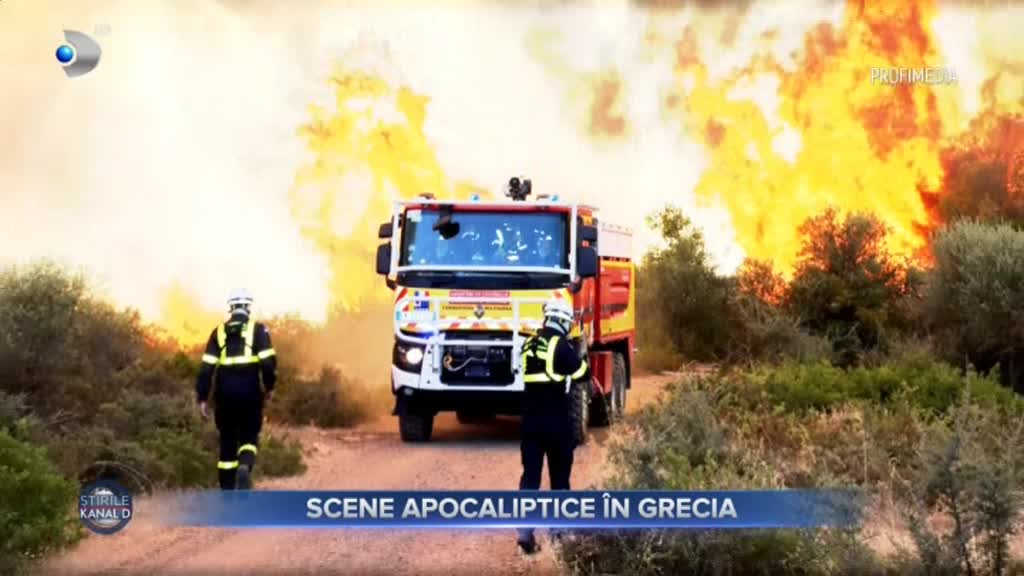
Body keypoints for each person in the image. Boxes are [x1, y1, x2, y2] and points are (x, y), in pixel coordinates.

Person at [516, 298, 588, 554]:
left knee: (530, 478)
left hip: (530, 424)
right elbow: (582, 374)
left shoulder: (529, 343)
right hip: (556, 423)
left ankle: (525, 533)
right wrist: (580, 353)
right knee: (559, 479)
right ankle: (558, 535)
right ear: (564, 321)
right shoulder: (562, 346)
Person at [196, 288, 277, 490]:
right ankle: (244, 467)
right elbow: (268, 364)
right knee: (249, 436)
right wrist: (270, 388)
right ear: (248, 307)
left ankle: (227, 494)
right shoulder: (258, 330)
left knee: (227, 441)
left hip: (224, 397)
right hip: (250, 394)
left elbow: (206, 368)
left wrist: (202, 398)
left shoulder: (218, 332)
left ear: (231, 307)